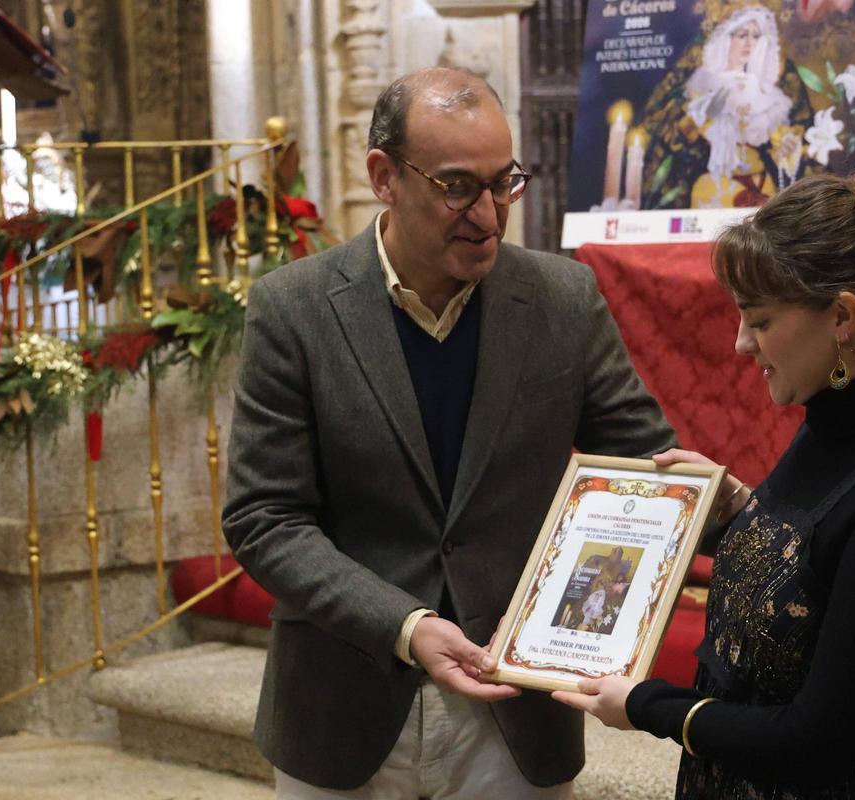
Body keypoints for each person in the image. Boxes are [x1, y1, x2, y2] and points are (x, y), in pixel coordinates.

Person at [221, 66, 676, 799]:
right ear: (384, 176)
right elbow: (264, 518)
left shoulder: (562, 299)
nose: (491, 216)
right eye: (459, 186)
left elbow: (653, 475)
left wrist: (761, 515)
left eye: (506, 183)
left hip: (516, 712)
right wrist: (404, 625)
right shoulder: (294, 310)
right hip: (344, 706)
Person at [554, 150, 855, 799]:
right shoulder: (830, 424)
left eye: (760, 320)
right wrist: (740, 513)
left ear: (842, 317)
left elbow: (813, 740)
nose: (740, 345)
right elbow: (818, 573)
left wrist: (649, 707)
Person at [684, 4, 793, 206]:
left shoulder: (769, 94)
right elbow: (690, 132)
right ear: (727, 38)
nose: (749, 43)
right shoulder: (707, 83)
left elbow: (782, 146)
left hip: (762, 183)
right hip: (715, 186)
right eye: (742, 34)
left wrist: (788, 149)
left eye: (756, 36)